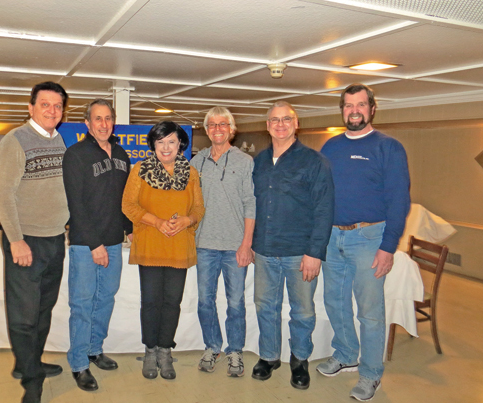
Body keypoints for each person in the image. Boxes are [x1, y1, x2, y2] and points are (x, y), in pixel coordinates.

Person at [317, 83, 410, 401]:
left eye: (360, 105)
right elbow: (321, 192)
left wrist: (388, 247)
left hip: (369, 238)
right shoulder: (330, 147)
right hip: (332, 236)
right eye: (348, 105)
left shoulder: (389, 147)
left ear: (372, 108)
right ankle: (346, 354)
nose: (354, 110)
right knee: (335, 301)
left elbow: (399, 200)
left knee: (370, 312)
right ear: (342, 110)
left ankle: (371, 374)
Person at [0, 81, 70, 403]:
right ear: (31, 107)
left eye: (58, 106)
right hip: (27, 241)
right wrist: (16, 240)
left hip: (54, 238)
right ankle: (32, 381)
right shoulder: (16, 140)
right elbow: (1, 193)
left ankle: (29, 363)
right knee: (24, 316)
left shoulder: (58, 139)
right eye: (45, 104)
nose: (52, 111)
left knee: (43, 310)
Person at [251, 102, 334, 390]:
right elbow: (252, 205)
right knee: (265, 307)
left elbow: (324, 209)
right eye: (274, 120)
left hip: (300, 252)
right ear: (267, 125)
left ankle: (299, 360)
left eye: (286, 119)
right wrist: (251, 242)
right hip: (264, 250)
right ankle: (269, 356)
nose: (280, 124)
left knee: (302, 311)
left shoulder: (314, 161)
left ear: (296, 123)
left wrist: (315, 253)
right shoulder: (259, 161)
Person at [122, 121, 205, 380]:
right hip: (150, 244)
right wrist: (157, 222)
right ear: (153, 145)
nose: (166, 147)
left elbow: (199, 208)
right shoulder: (140, 170)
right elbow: (128, 205)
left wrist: (187, 221)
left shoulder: (191, 173)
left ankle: (165, 351)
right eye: (160, 142)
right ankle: (150, 351)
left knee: (172, 302)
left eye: (171, 141)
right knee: (150, 302)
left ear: (180, 144)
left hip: (178, 246)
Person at [63, 99, 133, 392]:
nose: (104, 124)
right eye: (98, 119)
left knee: (105, 299)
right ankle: (79, 363)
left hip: (114, 241)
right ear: (87, 123)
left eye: (108, 118)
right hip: (85, 244)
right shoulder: (75, 154)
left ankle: (94, 349)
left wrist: (129, 229)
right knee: (82, 304)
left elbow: (124, 198)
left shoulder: (121, 153)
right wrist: (94, 244)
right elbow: (75, 204)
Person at [190, 107, 255, 378]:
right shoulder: (197, 161)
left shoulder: (245, 161)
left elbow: (250, 203)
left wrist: (246, 244)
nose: (217, 129)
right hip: (204, 244)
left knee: (235, 302)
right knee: (205, 301)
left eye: (223, 124)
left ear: (232, 128)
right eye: (212, 125)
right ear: (206, 130)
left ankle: (235, 350)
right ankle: (212, 346)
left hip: (235, 245)